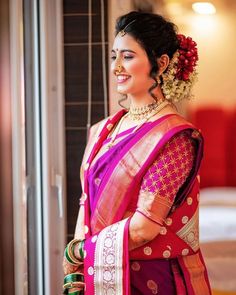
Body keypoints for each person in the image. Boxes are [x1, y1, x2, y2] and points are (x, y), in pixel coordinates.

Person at [62, 11, 212, 295]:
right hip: (98, 269)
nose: (117, 67)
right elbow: (87, 202)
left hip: (149, 279)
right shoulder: (104, 129)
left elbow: (144, 228)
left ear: (161, 63)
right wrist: (78, 270)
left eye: (128, 56)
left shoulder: (174, 138)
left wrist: (79, 252)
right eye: (113, 56)